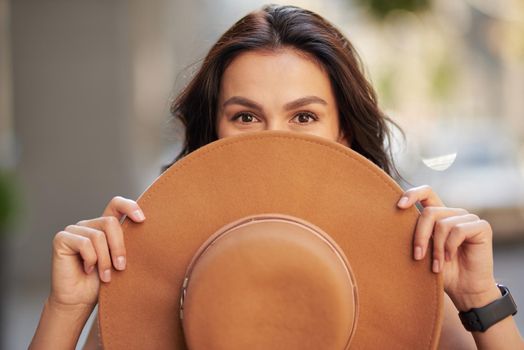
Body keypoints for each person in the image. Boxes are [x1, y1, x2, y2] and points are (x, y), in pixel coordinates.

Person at [30, 4, 523, 349]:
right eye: (245, 116)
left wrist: (479, 298)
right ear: (214, 130)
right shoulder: (141, 266)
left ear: (343, 132)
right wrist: (66, 308)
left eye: (304, 117)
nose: (274, 139)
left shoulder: (406, 267)